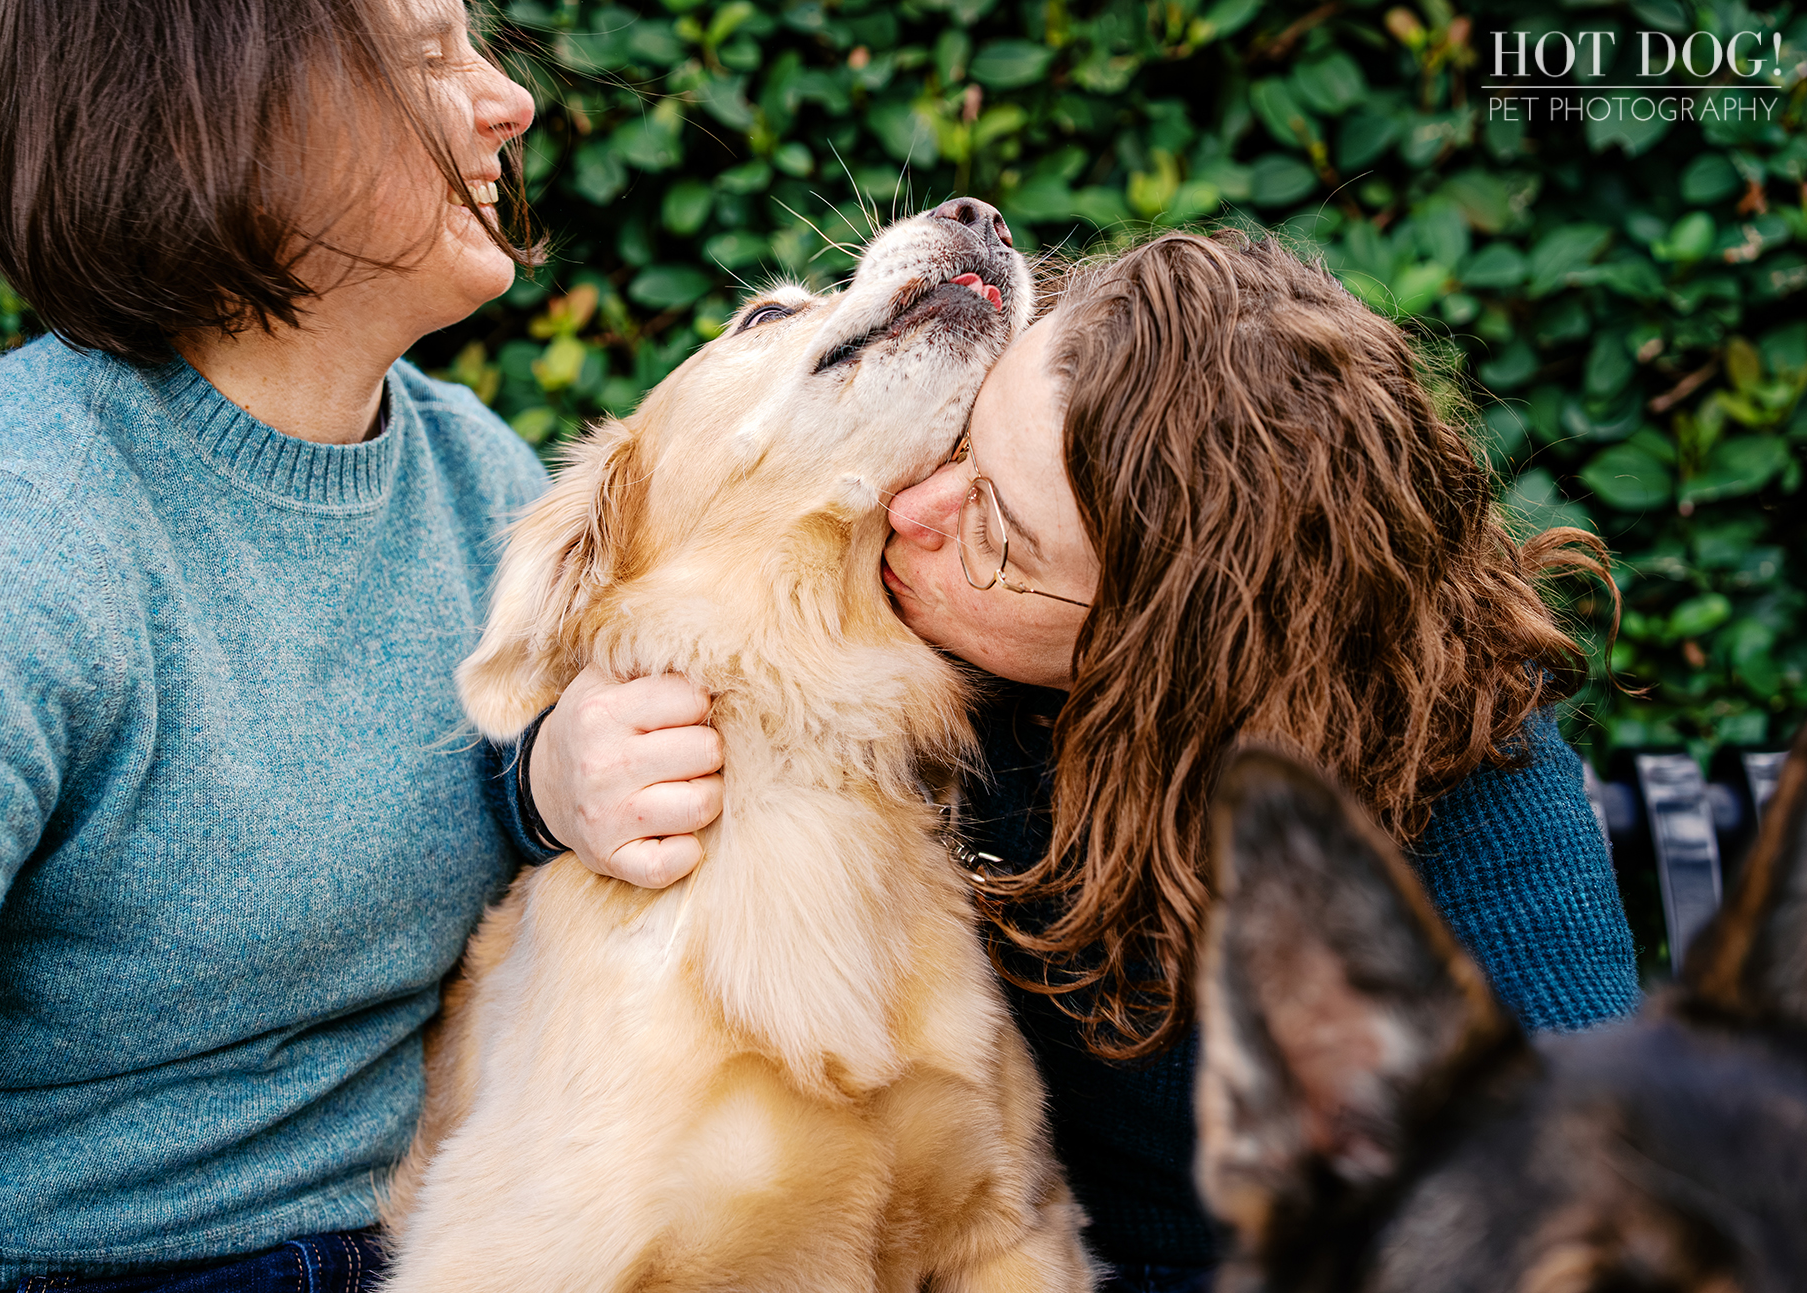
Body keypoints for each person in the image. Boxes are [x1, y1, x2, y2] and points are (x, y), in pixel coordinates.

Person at [518, 227, 1641, 1292]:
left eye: (995, 532)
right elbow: (651, 624)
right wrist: (540, 782)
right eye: (959, 438)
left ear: (1159, 651)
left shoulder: (1471, 794)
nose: (910, 508)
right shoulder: (918, 632)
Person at [0, 0, 547, 1287]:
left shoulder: (481, 489)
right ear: (221, 123)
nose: (506, 102)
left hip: (424, 1239)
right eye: (427, 56)